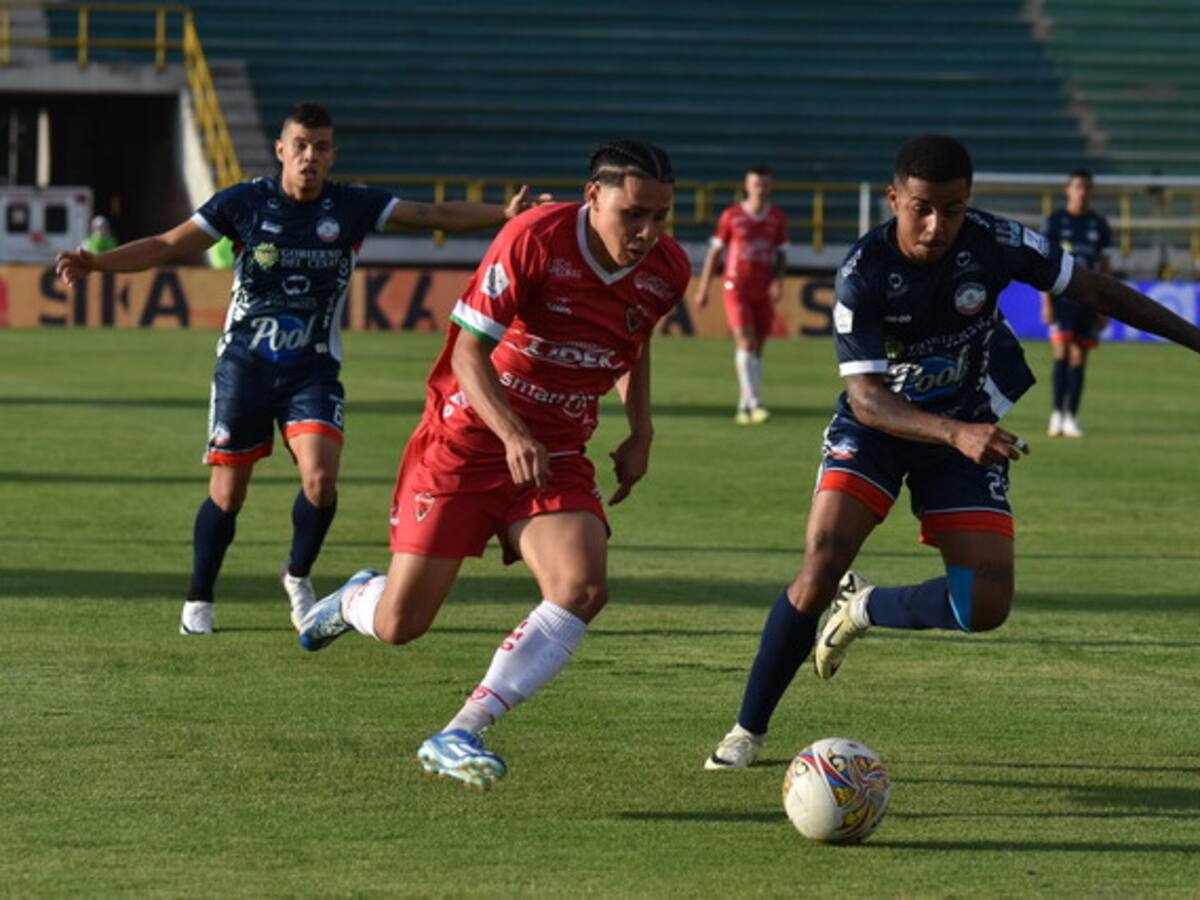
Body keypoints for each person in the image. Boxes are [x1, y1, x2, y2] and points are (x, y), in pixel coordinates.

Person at [704, 135, 1200, 770]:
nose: (938, 225)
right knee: (821, 561)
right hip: (881, 430)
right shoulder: (863, 271)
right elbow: (865, 399)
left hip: (963, 427)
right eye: (922, 209)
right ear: (894, 199)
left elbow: (1098, 291)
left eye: (954, 209)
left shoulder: (996, 240)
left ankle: (864, 607)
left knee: (987, 605)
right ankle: (746, 731)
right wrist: (955, 432)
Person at [55, 100, 543, 636]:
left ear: (333, 154)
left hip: (311, 369)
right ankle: (200, 593)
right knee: (228, 494)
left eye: (322, 147)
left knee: (320, 480)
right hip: (244, 367)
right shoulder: (243, 202)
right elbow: (169, 244)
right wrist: (98, 262)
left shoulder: (351, 206)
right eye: (301, 146)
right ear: (281, 150)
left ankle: (298, 574)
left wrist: (501, 216)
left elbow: (430, 215)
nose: (311, 156)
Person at [295, 140, 690, 789]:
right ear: (593, 197)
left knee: (582, 589)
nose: (648, 232)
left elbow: (634, 338)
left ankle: (460, 731)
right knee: (400, 625)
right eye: (634, 214)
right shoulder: (533, 238)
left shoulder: (667, 269)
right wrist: (510, 433)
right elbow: (469, 356)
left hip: (556, 449)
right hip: (467, 443)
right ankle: (355, 598)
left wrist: (641, 430)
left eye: (662, 217)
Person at [692, 164, 788, 424]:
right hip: (736, 285)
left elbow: (780, 253)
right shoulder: (732, 216)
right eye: (756, 184)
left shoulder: (776, 217)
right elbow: (715, 252)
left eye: (765, 184)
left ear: (770, 187)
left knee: (758, 347)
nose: (760, 189)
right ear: (747, 186)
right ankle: (755, 401)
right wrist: (703, 287)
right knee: (745, 341)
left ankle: (745, 403)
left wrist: (778, 282)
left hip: (763, 286)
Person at [1040, 168, 1112, 437]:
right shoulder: (1055, 222)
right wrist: (1045, 302)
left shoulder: (1099, 224)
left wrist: (1105, 305)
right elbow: (1043, 265)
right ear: (1068, 189)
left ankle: (1071, 415)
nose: (1082, 192)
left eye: (1086, 187)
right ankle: (1057, 414)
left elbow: (1105, 267)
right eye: (1077, 187)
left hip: (1089, 300)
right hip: (1062, 298)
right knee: (1062, 351)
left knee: (1080, 355)